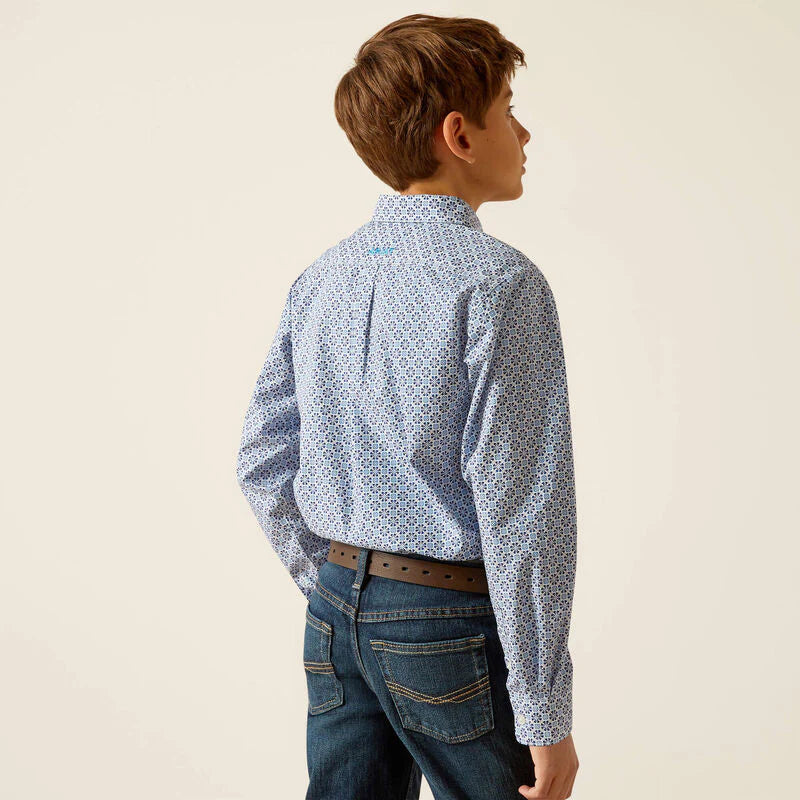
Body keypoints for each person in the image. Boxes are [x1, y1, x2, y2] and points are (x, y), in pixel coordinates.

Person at [236, 13, 580, 800]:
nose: (524, 134)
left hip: (333, 615)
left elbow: (261, 460)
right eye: (510, 109)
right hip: (444, 618)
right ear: (460, 134)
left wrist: (335, 584)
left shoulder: (322, 278)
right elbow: (524, 510)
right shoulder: (499, 284)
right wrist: (544, 711)